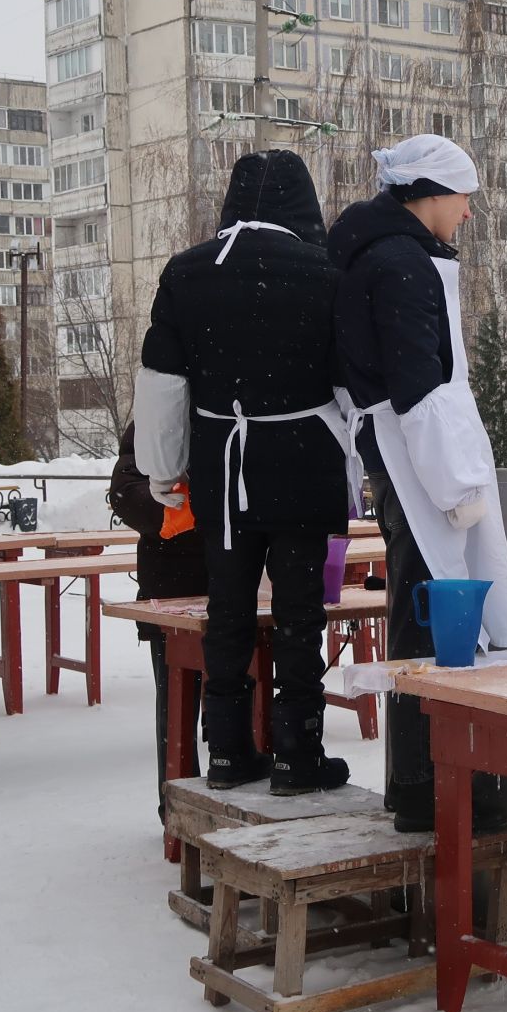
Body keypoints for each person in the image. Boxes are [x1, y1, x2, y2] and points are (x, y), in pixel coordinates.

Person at [135, 150, 357, 796]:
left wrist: (162, 467)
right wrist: (356, 467)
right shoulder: (325, 273)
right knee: (298, 615)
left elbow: (161, 383)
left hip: (220, 464)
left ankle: (228, 750)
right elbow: (349, 385)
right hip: (303, 461)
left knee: (227, 611)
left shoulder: (186, 273)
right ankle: (297, 753)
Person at [328, 135, 507, 833]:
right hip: (417, 453)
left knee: (424, 606)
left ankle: (428, 784)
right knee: (439, 612)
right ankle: (437, 790)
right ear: (431, 194)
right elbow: (416, 387)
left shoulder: (388, 252)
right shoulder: (399, 263)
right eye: (464, 198)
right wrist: (458, 485)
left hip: (407, 445)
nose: (468, 213)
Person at [107, 421, 209, 820]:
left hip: (242, 587)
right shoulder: (155, 421)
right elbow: (128, 494)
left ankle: (237, 801)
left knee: (241, 701)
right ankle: (178, 811)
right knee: (177, 710)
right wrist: (195, 500)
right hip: (171, 594)